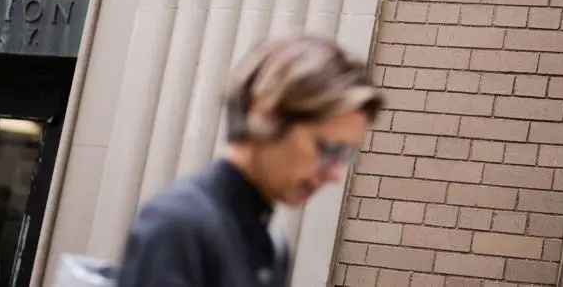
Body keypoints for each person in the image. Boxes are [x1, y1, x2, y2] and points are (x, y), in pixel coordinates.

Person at [115, 34, 384, 287]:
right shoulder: (177, 226)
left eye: (346, 154)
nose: (337, 174)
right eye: (328, 148)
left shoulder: (271, 244)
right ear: (264, 114)